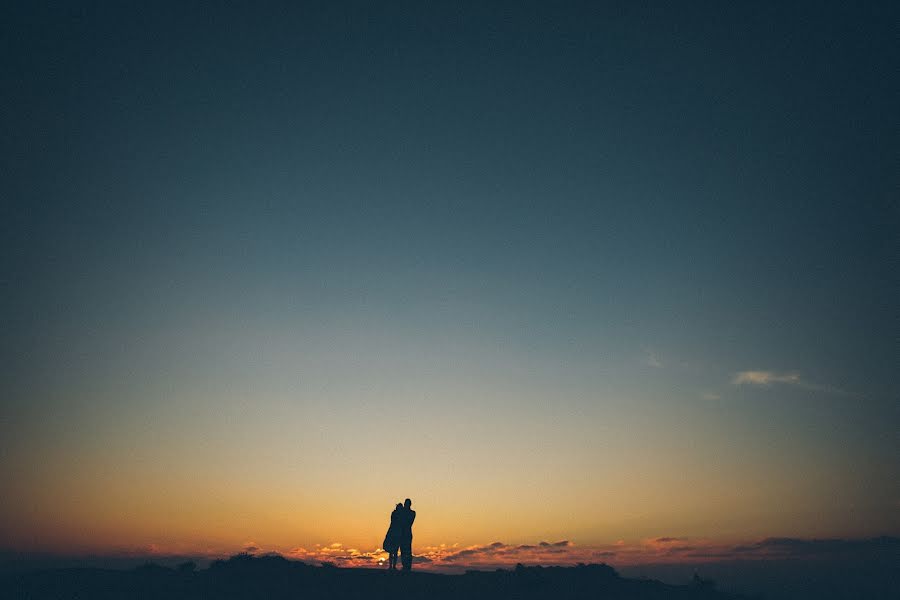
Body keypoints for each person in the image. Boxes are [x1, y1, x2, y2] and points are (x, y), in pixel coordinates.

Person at [383, 503, 403, 570]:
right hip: (395, 533)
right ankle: (392, 566)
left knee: (393, 551)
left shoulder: (395, 514)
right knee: (393, 551)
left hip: (394, 533)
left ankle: (392, 566)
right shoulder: (397, 514)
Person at [398, 498, 416, 571]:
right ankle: (406, 566)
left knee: (406, 550)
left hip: (405, 533)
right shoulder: (411, 513)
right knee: (404, 550)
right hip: (405, 533)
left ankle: (407, 566)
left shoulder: (411, 513)